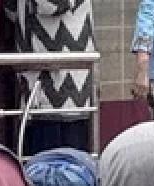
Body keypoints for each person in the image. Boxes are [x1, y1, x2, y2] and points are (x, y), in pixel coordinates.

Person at [8, 0, 96, 154]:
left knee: (60, 159)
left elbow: (51, 5)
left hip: (65, 93)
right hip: (40, 90)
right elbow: (11, 11)